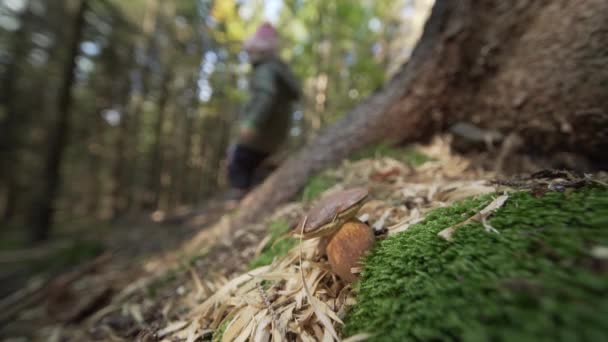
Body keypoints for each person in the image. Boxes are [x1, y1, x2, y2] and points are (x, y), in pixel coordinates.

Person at [226, 23, 301, 200]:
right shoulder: (280, 71)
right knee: (258, 171)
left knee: (238, 164)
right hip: (274, 138)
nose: (249, 56)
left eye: (251, 51)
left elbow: (265, 95)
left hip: (257, 135)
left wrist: (251, 123)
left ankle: (240, 204)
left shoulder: (264, 69)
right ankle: (253, 199)